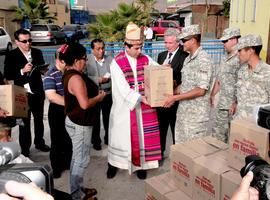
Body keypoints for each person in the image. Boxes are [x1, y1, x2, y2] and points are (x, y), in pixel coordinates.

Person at [107, 22, 161, 180]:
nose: (140, 51)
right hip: (124, 109)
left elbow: (157, 70)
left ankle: (141, 166)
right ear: (126, 46)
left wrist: (165, 71)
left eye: (141, 47)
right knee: (121, 140)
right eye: (136, 48)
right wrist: (140, 97)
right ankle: (113, 165)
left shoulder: (146, 58)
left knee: (143, 138)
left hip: (143, 109)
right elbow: (123, 89)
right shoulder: (117, 62)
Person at [62, 43, 105, 200]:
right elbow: (85, 104)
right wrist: (99, 97)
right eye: (84, 59)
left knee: (76, 157)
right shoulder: (75, 78)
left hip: (75, 120)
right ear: (75, 60)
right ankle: (77, 195)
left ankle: (77, 189)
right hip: (80, 124)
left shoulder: (69, 72)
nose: (85, 62)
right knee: (81, 160)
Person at [163, 24, 214, 143]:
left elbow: (201, 90)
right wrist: (167, 93)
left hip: (195, 117)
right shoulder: (188, 59)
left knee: (193, 152)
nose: (182, 43)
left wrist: (175, 98)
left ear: (193, 40)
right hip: (183, 114)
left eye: (184, 40)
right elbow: (185, 85)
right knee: (182, 151)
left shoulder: (203, 59)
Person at [4, 28, 50, 157]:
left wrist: (43, 71)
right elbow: (8, 75)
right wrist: (22, 71)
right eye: (24, 41)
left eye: (30, 40)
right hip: (21, 94)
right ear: (17, 42)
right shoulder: (11, 55)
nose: (28, 43)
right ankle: (25, 149)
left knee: (39, 120)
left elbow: (42, 67)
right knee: (24, 123)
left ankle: (40, 142)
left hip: (37, 92)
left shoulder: (37, 52)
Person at [156, 28, 188, 159]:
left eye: (170, 43)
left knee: (176, 131)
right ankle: (160, 153)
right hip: (161, 101)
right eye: (165, 42)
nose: (167, 45)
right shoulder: (161, 55)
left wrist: (174, 82)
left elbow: (185, 81)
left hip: (176, 101)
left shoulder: (184, 57)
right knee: (161, 130)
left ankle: (177, 157)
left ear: (178, 42)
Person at [43, 46, 72, 178]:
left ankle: (67, 163)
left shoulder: (69, 72)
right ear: (58, 60)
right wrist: (72, 103)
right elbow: (52, 96)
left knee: (68, 139)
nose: (67, 64)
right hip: (57, 111)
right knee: (56, 140)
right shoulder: (50, 74)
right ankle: (56, 168)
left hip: (69, 110)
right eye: (65, 61)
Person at [210, 27, 241, 143]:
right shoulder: (225, 57)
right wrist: (212, 95)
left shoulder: (241, 58)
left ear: (234, 40)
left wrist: (236, 102)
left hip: (234, 108)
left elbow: (243, 83)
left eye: (225, 41)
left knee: (234, 140)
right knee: (218, 137)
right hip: (223, 105)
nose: (223, 44)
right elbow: (219, 79)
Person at [232, 34, 270, 119]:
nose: (238, 54)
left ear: (251, 50)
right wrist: (235, 103)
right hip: (239, 122)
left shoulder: (267, 72)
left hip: (256, 127)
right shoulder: (242, 70)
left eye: (240, 50)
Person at [85, 39, 113, 150]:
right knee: (95, 119)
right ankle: (96, 141)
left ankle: (108, 138)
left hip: (107, 94)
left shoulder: (110, 59)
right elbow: (83, 76)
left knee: (108, 118)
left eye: (103, 48)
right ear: (92, 50)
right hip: (94, 95)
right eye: (98, 49)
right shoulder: (87, 60)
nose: (101, 51)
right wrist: (98, 80)